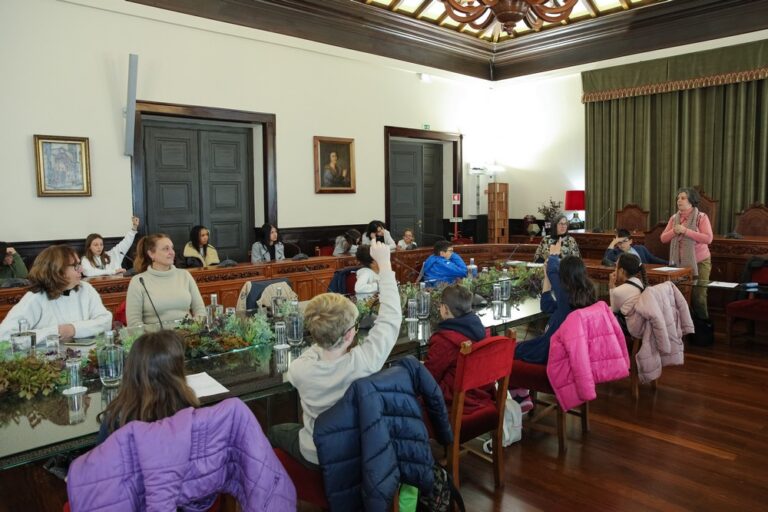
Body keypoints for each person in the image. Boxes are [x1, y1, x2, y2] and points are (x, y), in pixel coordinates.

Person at [268, 241, 401, 469]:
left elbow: (315, 351)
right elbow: (390, 318)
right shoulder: (364, 362)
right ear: (350, 335)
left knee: (274, 430)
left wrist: (323, 332)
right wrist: (385, 264)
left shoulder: (300, 368)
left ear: (314, 333)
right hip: (358, 450)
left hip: (317, 453)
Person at [96, 330, 199, 444]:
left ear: (131, 370)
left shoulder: (115, 421)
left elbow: (99, 459)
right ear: (177, 374)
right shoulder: (190, 413)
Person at [0, 245, 111, 341]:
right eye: (75, 266)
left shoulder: (85, 289)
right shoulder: (35, 297)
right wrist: (54, 332)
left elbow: (105, 321)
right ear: (58, 270)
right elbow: (4, 335)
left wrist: (73, 329)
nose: (81, 269)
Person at [515, 240, 597, 365]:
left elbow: (553, 271)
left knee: (511, 350)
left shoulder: (566, 295)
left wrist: (553, 255)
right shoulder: (580, 295)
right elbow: (546, 306)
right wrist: (547, 277)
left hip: (549, 351)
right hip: (552, 346)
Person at [424, 284, 493, 413]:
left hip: (454, 401)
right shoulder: (484, 331)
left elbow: (428, 378)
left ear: (444, 309)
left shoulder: (445, 341)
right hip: (480, 393)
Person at [125, 234, 206, 329]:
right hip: (155, 340)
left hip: (188, 336)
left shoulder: (185, 275)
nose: (172, 252)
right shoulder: (138, 281)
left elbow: (200, 311)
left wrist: (194, 329)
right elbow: (134, 324)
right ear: (151, 254)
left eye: (172, 248)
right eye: (166, 249)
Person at [660, 187, 713, 319]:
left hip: (700, 262)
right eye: (678, 198)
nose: (679, 200)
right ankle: (685, 331)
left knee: (698, 297)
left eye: (683, 198)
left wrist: (685, 231)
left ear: (691, 201)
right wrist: (675, 231)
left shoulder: (701, 217)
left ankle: (703, 330)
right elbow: (663, 238)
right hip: (679, 265)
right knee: (680, 297)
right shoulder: (674, 218)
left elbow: (708, 238)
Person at [603, 228, 667, 266]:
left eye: (624, 241)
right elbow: (606, 259)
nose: (621, 244)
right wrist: (613, 242)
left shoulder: (640, 249)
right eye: (619, 242)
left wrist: (668, 264)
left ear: (630, 241)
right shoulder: (615, 253)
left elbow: (653, 259)